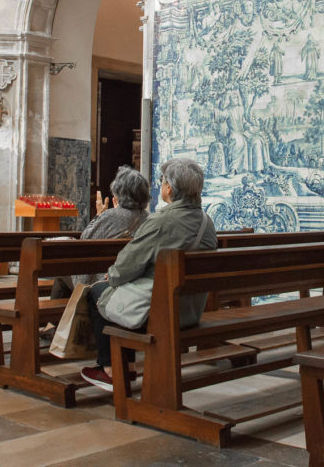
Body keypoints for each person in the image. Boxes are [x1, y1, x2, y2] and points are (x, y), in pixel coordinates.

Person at [81, 158, 217, 392]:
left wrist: (110, 277)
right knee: (118, 291)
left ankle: (110, 369)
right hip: (190, 310)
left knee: (97, 292)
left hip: (160, 312)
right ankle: (127, 365)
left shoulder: (162, 221)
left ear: (169, 189)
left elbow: (127, 263)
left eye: (163, 181)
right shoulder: (207, 222)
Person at [49, 166, 150, 301]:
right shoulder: (148, 217)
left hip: (103, 280)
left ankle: (58, 320)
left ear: (119, 192)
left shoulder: (111, 216)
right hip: (132, 278)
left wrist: (99, 215)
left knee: (62, 273)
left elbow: (85, 238)